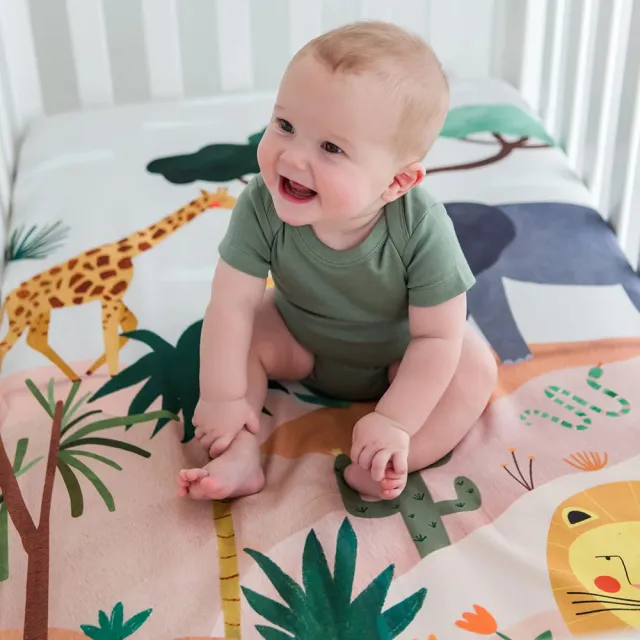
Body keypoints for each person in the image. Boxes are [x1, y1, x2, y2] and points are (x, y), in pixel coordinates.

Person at [177, 20, 497, 502]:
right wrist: (221, 397)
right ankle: (239, 453)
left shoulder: (421, 226)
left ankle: (391, 459)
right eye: (285, 125)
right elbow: (230, 305)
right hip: (298, 340)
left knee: (472, 365)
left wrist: (395, 421)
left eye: (331, 148)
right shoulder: (261, 203)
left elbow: (436, 337)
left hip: (399, 358)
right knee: (239, 332)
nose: (292, 158)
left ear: (397, 183)